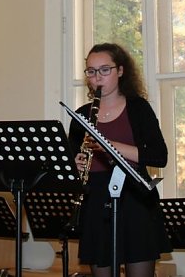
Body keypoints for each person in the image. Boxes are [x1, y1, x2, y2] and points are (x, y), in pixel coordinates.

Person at [68, 43, 172, 277]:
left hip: (135, 197)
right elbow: (70, 162)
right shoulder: (82, 114)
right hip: (95, 200)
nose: (97, 77)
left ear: (121, 71)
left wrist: (109, 145)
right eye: (91, 71)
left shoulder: (138, 108)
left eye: (105, 70)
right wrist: (73, 165)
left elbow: (159, 156)